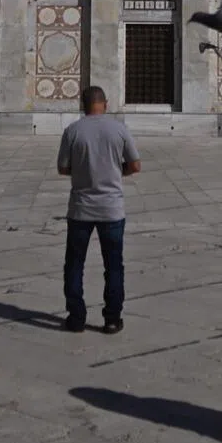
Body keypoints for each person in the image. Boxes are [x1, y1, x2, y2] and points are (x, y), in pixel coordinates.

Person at [57, 85, 141, 334]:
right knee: (113, 265)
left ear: (83, 105)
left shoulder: (72, 131)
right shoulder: (119, 129)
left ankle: (76, 318)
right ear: (105, 103)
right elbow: (135, 165)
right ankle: (112, 319)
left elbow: (62, 168)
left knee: (74, 264)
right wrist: (118, 171)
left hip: (81, 209)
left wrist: (83, 173)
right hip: (111, 209)